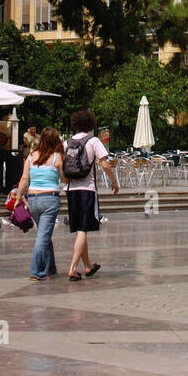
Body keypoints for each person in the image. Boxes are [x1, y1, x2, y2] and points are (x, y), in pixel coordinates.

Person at [63, 109, 119, 280]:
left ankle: (87, 266)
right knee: (83, 229)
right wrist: (114, 182)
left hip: (71, 190)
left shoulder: (67, 143)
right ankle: (73, 268)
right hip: (87, 190)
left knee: (81, 228)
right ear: (91, 124)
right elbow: (105, 165)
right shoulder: (93, 141)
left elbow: (60, 165)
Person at [11, 127, 66, 281]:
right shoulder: (57, 157)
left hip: (33, 199)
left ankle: (50, 268)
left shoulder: (31, 157)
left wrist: (18, 198)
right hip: (50, 199)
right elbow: (64, 179)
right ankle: (36, 271)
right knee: (43, 236)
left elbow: (24, 179)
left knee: (44, 233)